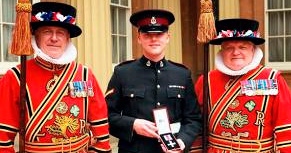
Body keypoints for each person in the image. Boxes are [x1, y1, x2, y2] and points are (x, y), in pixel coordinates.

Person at [0, 2, 111, 152]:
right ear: (36, 37)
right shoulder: (16, 77)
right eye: (47, 31)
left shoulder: (85, 74)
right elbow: (3, 138)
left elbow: (101, 130)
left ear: (67, 39)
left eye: (60, 33)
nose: (54, 38)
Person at [105, 9, 202, 153]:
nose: (154, 39)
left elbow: (193, 119)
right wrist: (133, 124)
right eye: (147, 34)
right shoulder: (123, 73)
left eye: (159, 34)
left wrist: (182, 141)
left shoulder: (182, 74)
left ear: (168, 37)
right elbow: (106, 115)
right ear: (139, 38)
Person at [195, 18, 291, 153]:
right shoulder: (206, 80)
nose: (236, 52)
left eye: (242, 47)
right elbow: (196, 126)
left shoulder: (273, 79)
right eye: (229, 47)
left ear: (253, 49)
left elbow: (286, 129)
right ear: (222, 51)